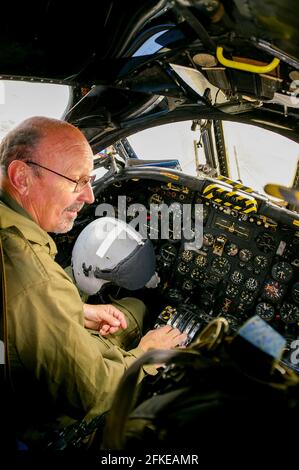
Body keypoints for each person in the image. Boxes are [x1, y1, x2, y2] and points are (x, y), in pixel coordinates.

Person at [0, 116, 186, 448]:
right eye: (76, 180)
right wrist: (148, 354)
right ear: (21, 176)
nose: (87, 196)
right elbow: (92, 392)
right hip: (36, 420)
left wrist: (76, 310)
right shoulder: (34, 278)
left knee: (124, 312)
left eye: (90, 180)